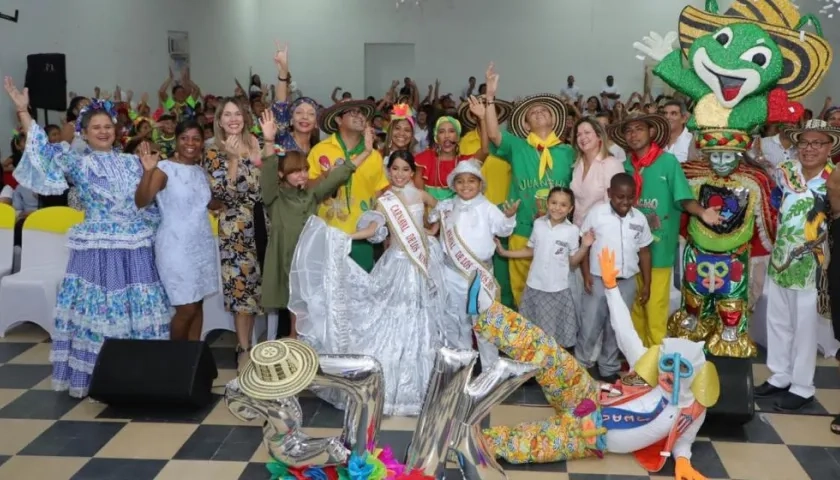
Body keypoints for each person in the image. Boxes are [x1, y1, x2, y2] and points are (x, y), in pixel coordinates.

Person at [4, 77, 170, 398]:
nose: (104, 131)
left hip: (132, 247)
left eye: (108, 126)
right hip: (95, 248)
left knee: (134, 310)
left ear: (116, 129)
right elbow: (41, 147)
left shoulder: (131, 161)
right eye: (96, 127)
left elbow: (141, 201)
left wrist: (149, 171)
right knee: (100, 313)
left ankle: (138, 373)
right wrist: (24, 113)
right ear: (84, 132)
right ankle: (102, 375)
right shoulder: (77, 161)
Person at [606, 112, 721, 347]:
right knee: (634, 306)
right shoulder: (626, 166)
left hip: (658, 249)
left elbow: (683, 198)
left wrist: (702, 212)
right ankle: (636, 357)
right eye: (628, 131)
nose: (633, 134)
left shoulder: (667, 163)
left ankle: (656, 361)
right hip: (629, 251)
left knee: (655, 306)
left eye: (639, 128)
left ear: (651, 132)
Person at [259, 112, 375, 339]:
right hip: (285, 259)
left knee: (306, 308)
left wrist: (367, 152)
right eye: (294, 172)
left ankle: (301, 344)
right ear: (282, 174)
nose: (301, 175)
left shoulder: (311, 195)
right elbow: (268, 170)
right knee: (293, 307)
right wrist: (269, 141)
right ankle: (293, 344)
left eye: (304, 170)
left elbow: (340, 174)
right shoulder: (275, 197)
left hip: (309, 262)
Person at [756, 119, 838, 412]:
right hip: (781, 260)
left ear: (830, 147)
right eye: (804, 142)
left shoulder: (834, 178)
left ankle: (802, 386)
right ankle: (780, 375)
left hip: (813, 266)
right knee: (777, 321)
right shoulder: (786, 172)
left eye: (818, 143)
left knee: (805, 328)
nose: (809, 149)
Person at [482, 63, 575, 307]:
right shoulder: (517, 146)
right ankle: (525, 343)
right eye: (532, 112)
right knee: (521, 289)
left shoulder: (567, 151)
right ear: (525, 125)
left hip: (558, 232)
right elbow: (493, 135)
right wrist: (490, 98)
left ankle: (550, 341)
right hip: (523, 229)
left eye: (544, 110)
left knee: (555, 289)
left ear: (554, 120)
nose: (538, 112)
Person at [134, 121, 219, 341]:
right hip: (175, 246)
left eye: (196, 139)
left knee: (198, 302)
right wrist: (148, 172)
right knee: (186, 308)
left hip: (201, 244)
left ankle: (193, 358)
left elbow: (205, 203)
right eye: (184, 138)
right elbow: (142, 200)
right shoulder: (164, 169)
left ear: (202, 143)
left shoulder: (200, 171)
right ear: (176, 140)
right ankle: (175, 360)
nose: (190, 143)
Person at [434, 160, 517, 371]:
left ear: (480, 184)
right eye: (460, 181)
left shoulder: (488, 207)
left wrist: (508, 217)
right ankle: (462, 367)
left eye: (471, 181)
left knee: (483, 323)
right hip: (452, 273)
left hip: (479, 276)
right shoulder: (447, 206)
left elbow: (504, 230)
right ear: (454, 185)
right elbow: (433, 228)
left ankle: (489, 369)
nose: (466, 186)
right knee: (455, 320)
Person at [204, 97, 264, 370]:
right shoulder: (213, 150)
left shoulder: (256, 144)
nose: (232, 119)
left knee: (256, 290)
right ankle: (243, 348)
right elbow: (222, 194)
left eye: (237, 114)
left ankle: (253, 343)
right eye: (227, 115)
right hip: (235, 226)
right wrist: (231, 158)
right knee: (241, 291)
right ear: (219, 120)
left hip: (262, 222)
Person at [495, 186, 592, 352]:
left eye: (563, 205)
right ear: (547, 203)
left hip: (557, 290)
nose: (557, 207)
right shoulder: (539, 224)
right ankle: (532, 370)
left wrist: (584, 247)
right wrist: (504, 252)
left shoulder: (572, 231)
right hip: (534, 287)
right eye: (554, 202)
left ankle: (549, 372)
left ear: (570, 209)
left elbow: (573, 262)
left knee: (552, 338)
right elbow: (530, 250)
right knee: (531, 334)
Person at [577, 173, 653, 382]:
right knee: (590, 324)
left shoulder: (639, 219)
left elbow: (645, 252)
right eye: (620, 197)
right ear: (609, 194)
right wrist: (585, 275)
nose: (625, 202)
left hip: (626, 282)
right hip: (598, 279)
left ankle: (609, 367)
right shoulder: (597, 214)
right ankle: (582, 365)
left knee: (617, 326)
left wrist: (647, 283)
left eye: (630, 197)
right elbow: (585, 243)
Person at [307, 99, 387, 273]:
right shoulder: (320, 150)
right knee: (329, 291)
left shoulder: (373, 155)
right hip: (328, 235)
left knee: (362, 291)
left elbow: (379, 194)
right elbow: (308, 190)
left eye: (361, 113)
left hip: (362, 236)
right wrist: (326, 176)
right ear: (338, 120)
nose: (359, 116)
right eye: (353, 112)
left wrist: (377, 225)